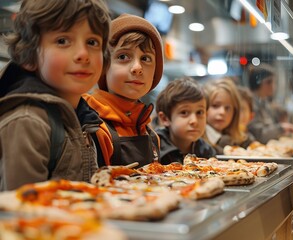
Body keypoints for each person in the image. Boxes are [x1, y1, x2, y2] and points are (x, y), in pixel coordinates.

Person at [0, 0, 111, 191]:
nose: (83, 54)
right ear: (29, 55)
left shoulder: (84, 118)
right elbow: (24, 212)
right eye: (63, 41)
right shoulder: (28, 122)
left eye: (92, 42)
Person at [83, 14, 163, 167]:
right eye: (123, 56)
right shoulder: (94, 128)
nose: (137, 68)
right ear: (104, 66)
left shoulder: (150, 134)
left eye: (146, 59)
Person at [155, 77, 216, 164]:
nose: (194, 121)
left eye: (199, 112)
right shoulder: (153, 149)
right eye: (184, 112)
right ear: (165, 118)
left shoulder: (207, 151)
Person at [247, 66, 293, 144]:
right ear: (258, 83)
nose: (273, 86)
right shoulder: (251, 104)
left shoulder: (264, 102)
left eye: (274, 82)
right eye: (269, 82)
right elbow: (259, 135)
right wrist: (281, 128)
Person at [203, 77, 250, 154]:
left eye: (227, 108)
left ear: (235, 112)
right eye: (215, 105)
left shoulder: (235, 138)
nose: (222, 112)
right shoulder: (199, 143)